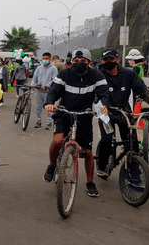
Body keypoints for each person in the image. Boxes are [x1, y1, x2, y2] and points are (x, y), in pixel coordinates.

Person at [43, 48, 110, 197]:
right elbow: (54, 90)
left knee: (87, 152)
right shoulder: (65, 74)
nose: (79, 63)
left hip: (85, 115)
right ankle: (52, 165)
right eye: (76, 61)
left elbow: (103, 93)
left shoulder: (96, 75)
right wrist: (49, 102)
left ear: (89, 62)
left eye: (83, 61)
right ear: (71, 62)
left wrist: (104, 104)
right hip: (64, 113)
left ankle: (90, 182)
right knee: (57, 141)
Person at [96, 49, 149, 179]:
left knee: (133, 144)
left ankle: (134, 176)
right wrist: (103, 106)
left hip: (124, 112)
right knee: (107, 140)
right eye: (106, 60)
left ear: (118, 60)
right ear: (102, 61)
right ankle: (101, 165)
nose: (108, 62)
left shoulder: (128, 74)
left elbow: (142, 90)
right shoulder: (99, 75)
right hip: (106, 112)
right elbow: (99, 93)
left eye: (111, 59)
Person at [31, 52, 58, 129]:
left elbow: (54, 80)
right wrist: (33, 85)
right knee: (38, 107)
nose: (45, 60)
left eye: (46, 59)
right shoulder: (39, 68)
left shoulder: (53, 68)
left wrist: (46, 86)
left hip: (48, 92)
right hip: (39, 91)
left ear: (50, 59)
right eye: (43, 58)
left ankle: (50, 122)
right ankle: (39, 121)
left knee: (49, 107)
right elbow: (34, 78)